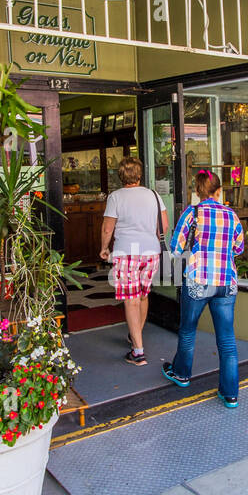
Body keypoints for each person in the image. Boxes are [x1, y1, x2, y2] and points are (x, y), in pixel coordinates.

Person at [162, 169, 245, 409]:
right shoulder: (231, 215)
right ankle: (230, 394)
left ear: (197, 192)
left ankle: (182, 374)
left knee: (188, 331)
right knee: (227, 339)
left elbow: (176, 249)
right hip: (226, 282)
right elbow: (239, 248)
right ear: (218, 191)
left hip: (198, 280)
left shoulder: (192, 213)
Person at [100, 156, 168, 365]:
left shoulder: (115, 197)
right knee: (143, 295)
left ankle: (138, 351)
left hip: (126, 252)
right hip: (150, 252)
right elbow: (163, 227)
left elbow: (107, 228)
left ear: (121, 176)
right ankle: (136, 333)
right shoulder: (154, 195)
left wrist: (104, 248)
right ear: (139, 175)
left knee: (131, 298)